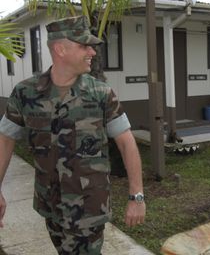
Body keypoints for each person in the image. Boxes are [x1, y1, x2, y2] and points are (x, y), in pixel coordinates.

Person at [0, 16, 145, 254]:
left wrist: (136, 197)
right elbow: (5, 139)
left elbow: (127, 143)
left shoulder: (101, 94)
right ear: (61, 49)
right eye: (84, 46)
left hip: (89, 209)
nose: (92, 52)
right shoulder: (25, 93)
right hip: (50, 206)